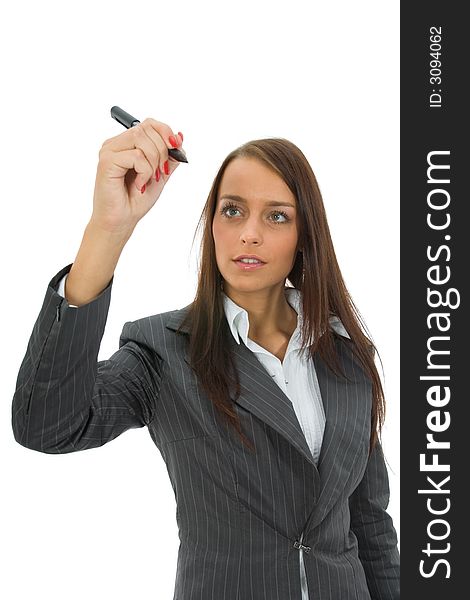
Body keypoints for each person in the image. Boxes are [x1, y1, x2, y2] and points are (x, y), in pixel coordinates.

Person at [11, 117, 400, 599]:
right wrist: (108, 229)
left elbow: (371, 528)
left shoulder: (346, 356)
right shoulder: (164, 350)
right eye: (232, 211)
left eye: (276, 216)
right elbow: (46, 425)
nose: (249, 234)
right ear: (212, 225)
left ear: (305, 236)